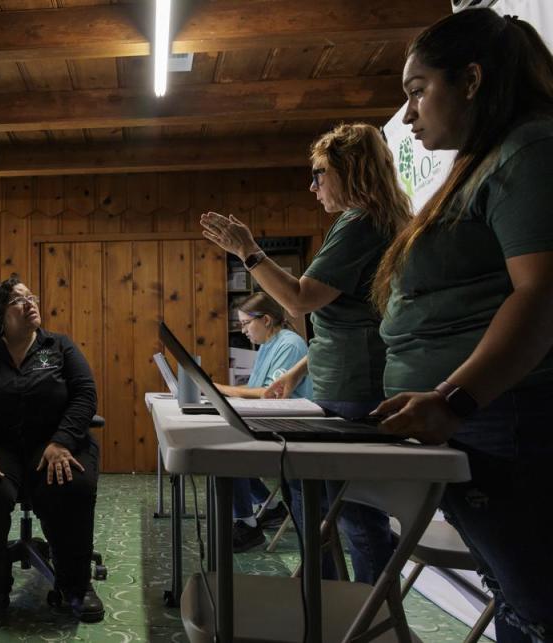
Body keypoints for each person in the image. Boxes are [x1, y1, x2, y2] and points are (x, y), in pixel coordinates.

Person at [373, 10, 553, 642]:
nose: (411, 113)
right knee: (518, 597)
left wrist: (455, 398)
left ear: (471, 80)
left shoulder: (530, 150)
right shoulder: (487, 162)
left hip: (510, 420)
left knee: (538, 606)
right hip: (487, 422)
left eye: (418, 90)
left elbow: (542, 295)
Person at [200, 122, 412, 584]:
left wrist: (249, 252)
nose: (312, 186)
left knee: (354, 515)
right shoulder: (379, 218)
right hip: (351, 383)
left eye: (320, 174)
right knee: (327, 499)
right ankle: (335, 595)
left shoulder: (359, 221)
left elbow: (298, 299)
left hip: (355, 391)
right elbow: (351, 317)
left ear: (351, 171)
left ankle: (364, 616)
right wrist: (298, 369)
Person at [0, 275, 102, 632]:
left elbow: (84, 396)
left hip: (52, 443)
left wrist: (62, 441)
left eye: (32, 297)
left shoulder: (58, 346)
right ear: (0, 314)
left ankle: (74, 586)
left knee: (70, 485)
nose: (30, 303)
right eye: (19, 301)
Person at [215, 292, 311, 550]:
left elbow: (270, 393)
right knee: (226, 434)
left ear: (266, 319)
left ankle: (247, 525)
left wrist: (222, 389)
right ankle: (267, 504)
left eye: (246, 323)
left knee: (226, 447)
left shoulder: (289, 344)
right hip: (272, 418)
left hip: (290, 426)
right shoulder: (268, 345)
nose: (243, 330)